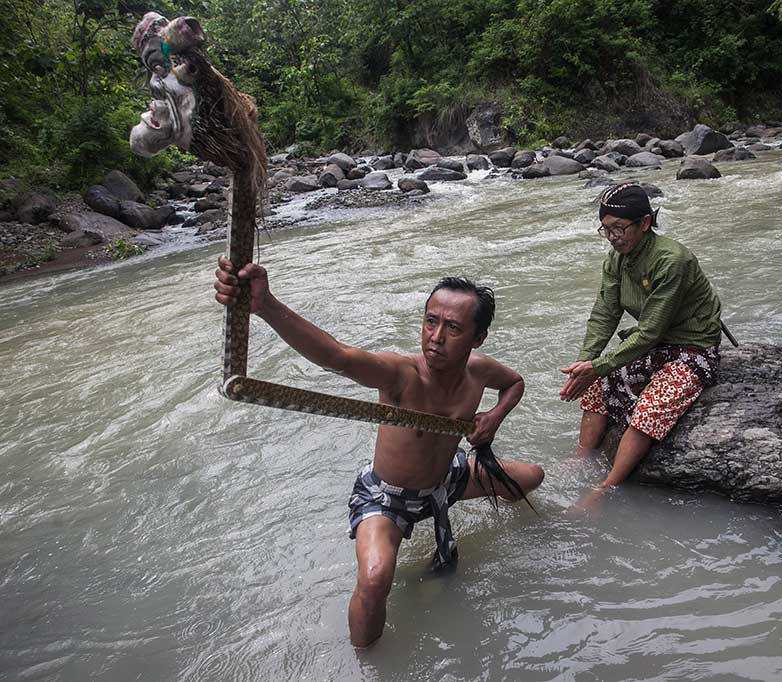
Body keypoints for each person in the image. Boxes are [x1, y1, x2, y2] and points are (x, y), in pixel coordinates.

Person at [213, 257, 544, 648]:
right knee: (374, 580)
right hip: (390, 496)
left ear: (478, 337)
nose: (436, 336)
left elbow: (515, 383)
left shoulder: (480, 370)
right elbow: (336, 356)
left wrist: (493, 416)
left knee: (531, 478)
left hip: (447, 477)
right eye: (430, 321)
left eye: (453, 328)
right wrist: (266, 305)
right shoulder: (401, 375)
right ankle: (367, 663)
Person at [559, 182, 722, 509]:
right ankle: (582, 457)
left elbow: (649, 331)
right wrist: (584, 365)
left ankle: (606, 487)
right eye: (606, 230)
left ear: (645, 223)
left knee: (651, 406)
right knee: (597, 385)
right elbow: (604, 313)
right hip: (656, 344)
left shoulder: (671, 261)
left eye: (620, 228)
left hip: (693, 347)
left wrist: (598, 366)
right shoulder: (617, 259)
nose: (614, 237)